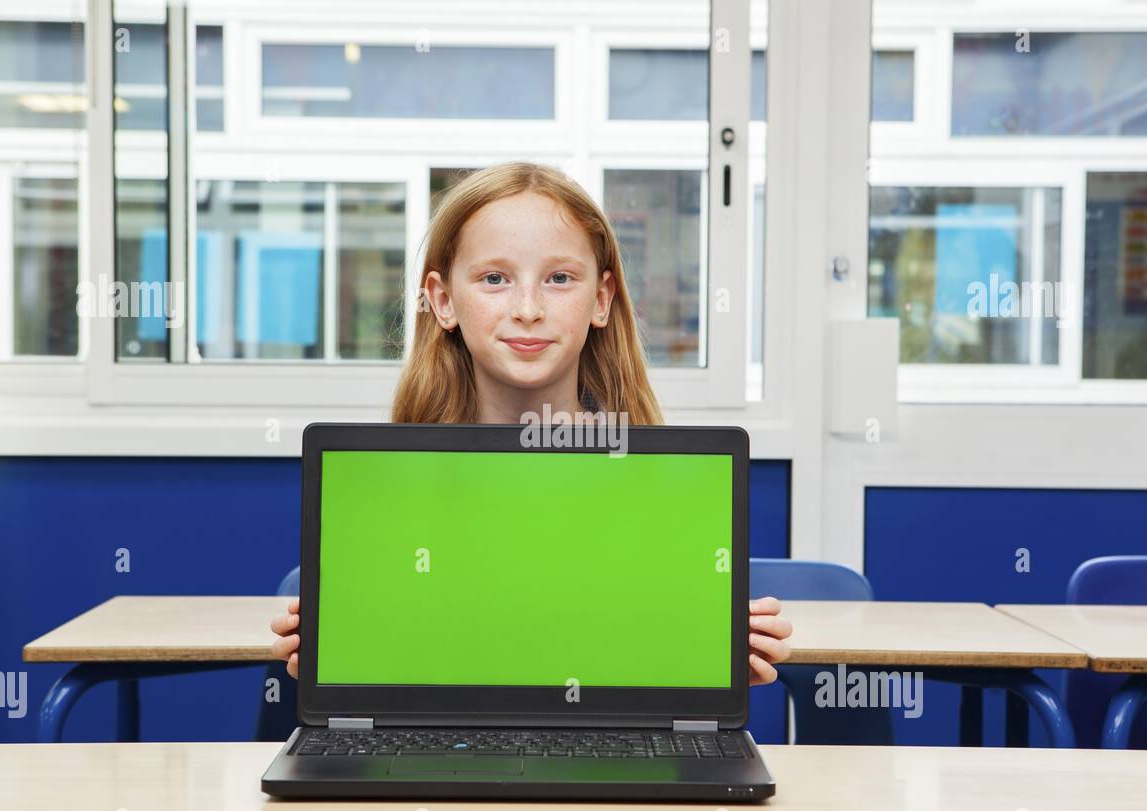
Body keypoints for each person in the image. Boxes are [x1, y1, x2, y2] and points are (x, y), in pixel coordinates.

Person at [271, 162, 792, 686]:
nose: (527, 308)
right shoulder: (387, 489)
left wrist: (709, 661)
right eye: (494, 278)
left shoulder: (662, 487)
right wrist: (337, 657)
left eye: (559, 279)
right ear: (443, 299)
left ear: (602, 299)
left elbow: (626, 665)